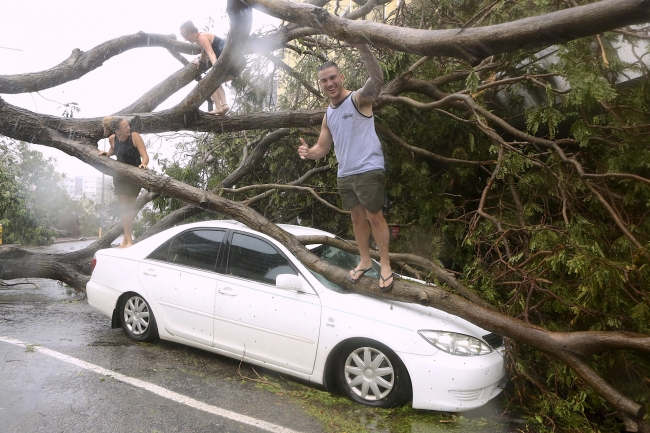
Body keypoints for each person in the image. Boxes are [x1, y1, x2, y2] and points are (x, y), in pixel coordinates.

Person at [297, 45, 394, 292]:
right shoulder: (328, 114)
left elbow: (377, 79)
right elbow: (322, 147)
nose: (329, 83)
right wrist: (309, 153)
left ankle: (384, 265)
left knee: (374, 216)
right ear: (320, 84)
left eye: (333, 78)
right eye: (324, 80)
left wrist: (363, 46)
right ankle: (364, 260)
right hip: (346, 173)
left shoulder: (358, 99)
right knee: (357, 217)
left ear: (342, 78)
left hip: (368, 168)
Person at [99, 116, 149, 249]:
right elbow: (113, 149)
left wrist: (143, 164)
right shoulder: (112, 139)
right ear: (117, 131)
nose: (129, 128)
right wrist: (108, 154)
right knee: (124, 208)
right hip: (120, 177)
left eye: (128, 125)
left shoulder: (134, 136)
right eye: (125, 127)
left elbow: (145, 156)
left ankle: (128, 239)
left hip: (134, 177)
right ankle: (126, 240)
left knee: (130, 208)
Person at [180, 20, 230, 115]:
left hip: (225, 59)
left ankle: (219, 107)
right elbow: (204, 51)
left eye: (186, 35)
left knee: (208, 83)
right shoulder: (199, 39)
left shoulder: (201, 37)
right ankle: (224, 105)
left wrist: (215, 69)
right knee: (216, 82)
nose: (185, 39)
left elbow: (211, 53)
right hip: (227, 59)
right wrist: (200, 60)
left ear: (192, 32)